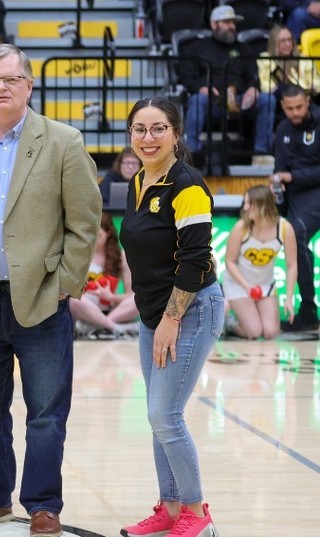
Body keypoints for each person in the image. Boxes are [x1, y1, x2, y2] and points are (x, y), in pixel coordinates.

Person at [0, 43, 100, 537]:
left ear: (30, 85)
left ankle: (43, 504)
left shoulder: (65, 142)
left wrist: (65, 286)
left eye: (11, 79)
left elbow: (85, 223)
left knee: (47, 412)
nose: (1, 87)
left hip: (42, 301)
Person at [117, 97, 223, 537]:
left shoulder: (188, 186)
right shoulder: (138, 181)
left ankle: (198, 516)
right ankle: (172, 507)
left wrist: (171, 319)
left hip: (191, 309)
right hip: (153, 314)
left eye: (158, 129)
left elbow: (196, 259)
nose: (148, 138)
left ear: (176, 134)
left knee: (166, 415)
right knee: (156, 414)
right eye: (140, 130)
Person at [179, 5, 274, 163]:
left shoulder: (244, 49)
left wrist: (253, 89)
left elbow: (254, 76)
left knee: (267, 100)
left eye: (233, 23)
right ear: (214, 24)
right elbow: (187, 78)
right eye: (227, 22)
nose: (232, 26)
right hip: (213, 101)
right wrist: (201, 88)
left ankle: (261, 153)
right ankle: (191, 154)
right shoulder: (197, 48)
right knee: (196, 100)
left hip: (240, 99)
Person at [273, 84, 320, 331]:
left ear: (308, 101)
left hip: (316, 190)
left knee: (297, 233)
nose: (295, 112)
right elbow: (280, 167)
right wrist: (277, 182)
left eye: (299, 106)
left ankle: (309, 309)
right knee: (289, 236)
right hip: (293, 195)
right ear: (282, 106)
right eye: (289, 108)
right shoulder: (282, 128)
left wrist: (293, 177)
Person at [223, 185, 298, 339]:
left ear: (261, 205)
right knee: (254, 332)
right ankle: (229, 323)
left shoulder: (284, 228)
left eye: (248, 203)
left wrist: (289, 299)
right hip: (239, 284)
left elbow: (292, 266)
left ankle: (251, 313)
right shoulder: (241, 228)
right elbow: (229, 262)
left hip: (265, 284)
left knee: (270, 333)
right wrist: (246, 286)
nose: (245, 208)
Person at [71, 213, 139, 338]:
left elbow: (131, 294)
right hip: (85, 307)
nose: (94, 240)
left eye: (99, 235)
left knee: (140, 298)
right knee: (73, 300)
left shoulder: (120, 256)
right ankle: (114, 328)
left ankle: (97, 327)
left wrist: (110, 297)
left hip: (112, 308)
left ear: (108, 233)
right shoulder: (80, 254)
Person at [258, 24, 320, 102]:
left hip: (306, 98)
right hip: (279, 99)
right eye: (282, 41)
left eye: (289, 40)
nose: (287, 44)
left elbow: (316, 81)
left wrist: (314, 86)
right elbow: (264, 84)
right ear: (274, 43)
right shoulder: (265, 59)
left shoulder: (303, 59)